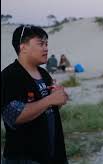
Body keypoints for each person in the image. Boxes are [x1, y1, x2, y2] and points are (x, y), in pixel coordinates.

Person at [1, 25, 69, 164]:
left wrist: (58, 100)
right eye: (40, 44)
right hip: (24, 158)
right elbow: (13, 116)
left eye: (46, 44)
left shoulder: (43, 73)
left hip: (53, 154)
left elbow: (46, 109)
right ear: (23, 47)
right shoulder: (10, 76)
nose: (45, 48)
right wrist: (49, 100)